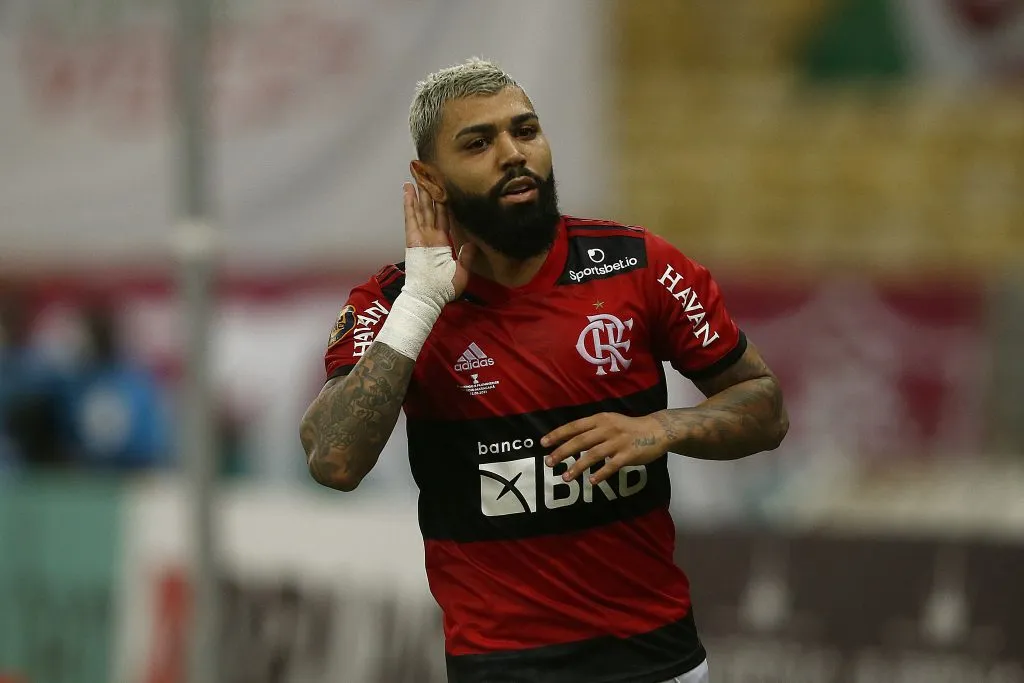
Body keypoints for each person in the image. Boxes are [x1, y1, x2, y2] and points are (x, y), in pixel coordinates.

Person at [300, 58, 789, 683]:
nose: (512, 153)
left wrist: (664, 428)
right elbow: (334, 460)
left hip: (660, 663)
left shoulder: (639, 268)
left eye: (524, 131)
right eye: (478, 143)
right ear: (431, 179)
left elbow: (766, 407)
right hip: (502, 670)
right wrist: (420, 304)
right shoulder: (394, 305)